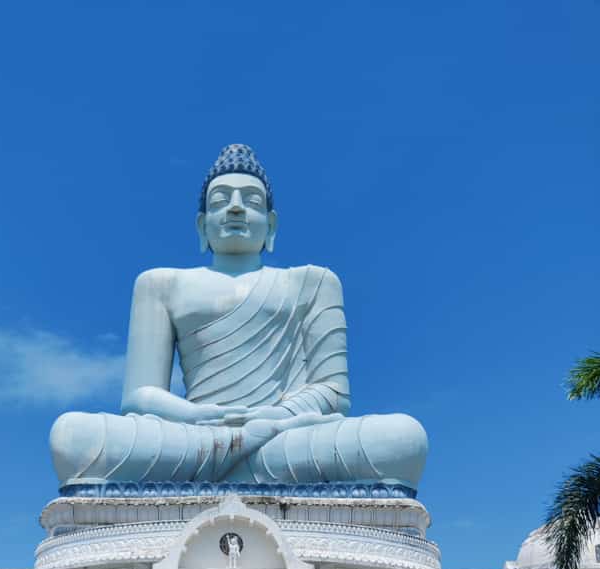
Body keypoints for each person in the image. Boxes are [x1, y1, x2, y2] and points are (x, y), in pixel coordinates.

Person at [50, 144, 427, 489]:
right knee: (73, 436)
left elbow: (332, 393)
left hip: (288, 434)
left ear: (271, 225)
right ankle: (242, 464)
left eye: (250, 200)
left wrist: (270, 420)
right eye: (220, 201)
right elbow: (140, 395)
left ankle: (235, 463)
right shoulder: (160, 284)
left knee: (402, 438)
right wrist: (200, 418)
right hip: (195, 436)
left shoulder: (312, 282)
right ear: (202, 226)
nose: (234, 208)